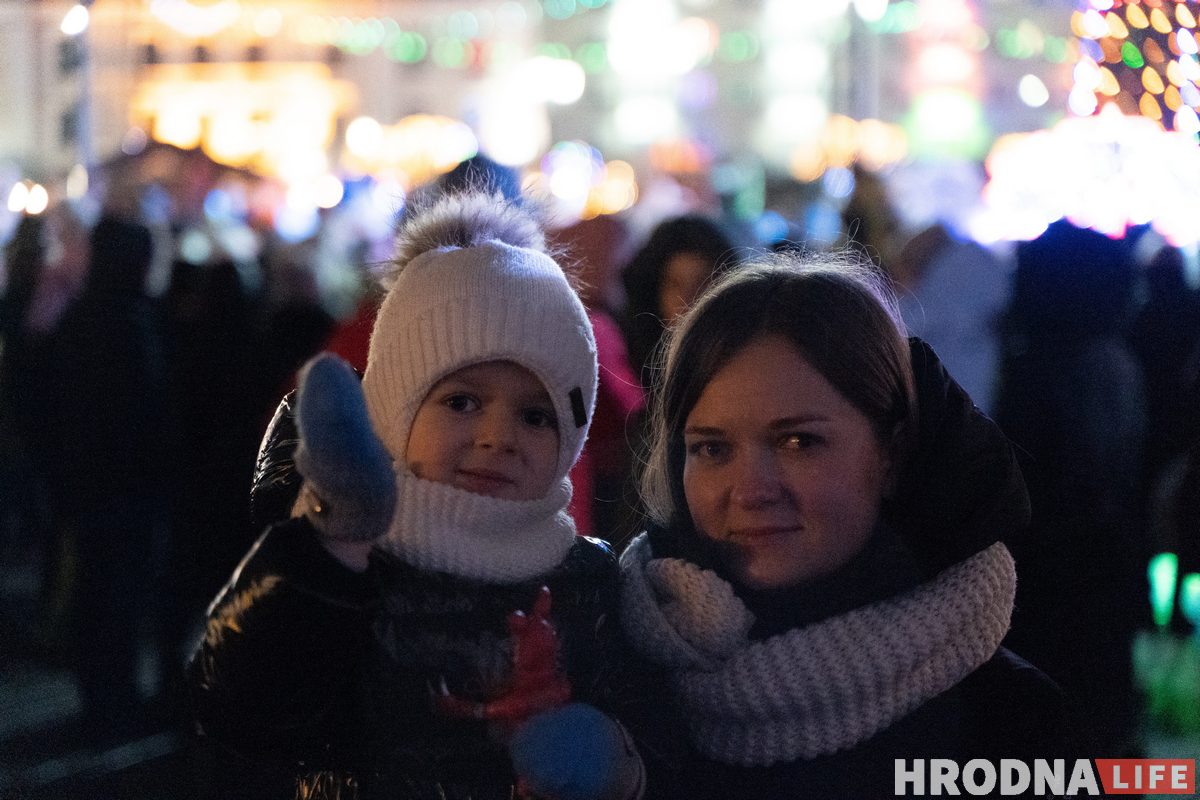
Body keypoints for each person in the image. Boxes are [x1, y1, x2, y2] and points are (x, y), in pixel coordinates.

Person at [188, 193, 644, 800]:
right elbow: (239, 707)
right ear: (397, 409)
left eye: (536, 416)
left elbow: (638, 714)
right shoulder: (354, 561)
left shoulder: (587, 575)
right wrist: (334, 543)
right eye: (462, 402)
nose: (498, 437)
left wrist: (617, 767)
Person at [614, 253, 1072, 799]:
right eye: (713, 448)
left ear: (892, 454)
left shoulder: (1006, 724)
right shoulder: (618, 688)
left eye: (798, 442)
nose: (752, 489)